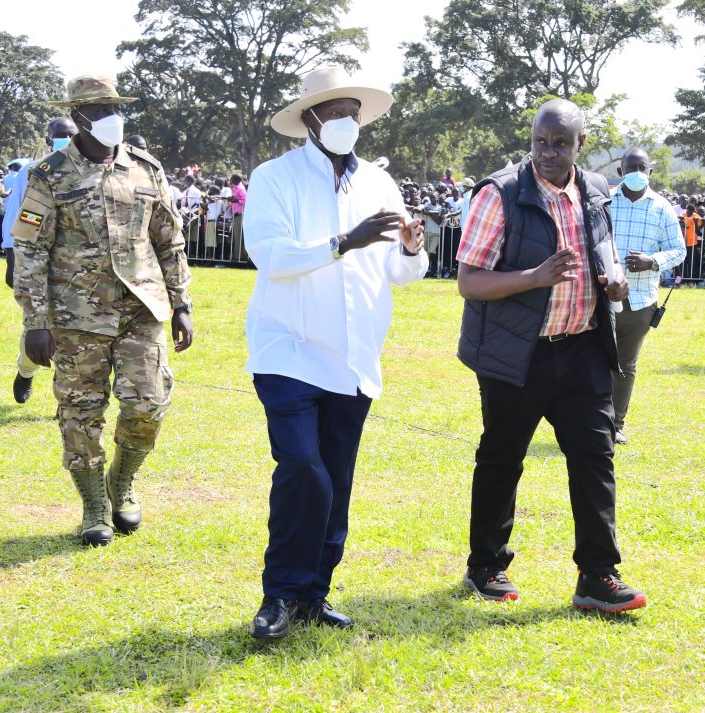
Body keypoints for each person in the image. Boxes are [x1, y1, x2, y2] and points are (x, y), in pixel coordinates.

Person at [243, 66, 427, 639]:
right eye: (334, 112)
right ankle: (279, 595)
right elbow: (270, 255)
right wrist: (345, 242)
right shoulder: (275, 178)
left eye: (354, 112)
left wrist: (413, 250)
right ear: (310, 120)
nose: (346, 121)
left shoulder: (378, 183)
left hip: (353, 356)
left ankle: (313, 595)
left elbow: (399, 271)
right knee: (304, 470)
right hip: (289, 350)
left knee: (337, 478)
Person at [456, 98, 644, 613]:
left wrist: (614, 284)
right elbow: (469, 280)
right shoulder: (502, 193)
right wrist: (533, 278)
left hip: (583, 347)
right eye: (541, 141)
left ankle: (597, 575)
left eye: (560, 143)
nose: (548, 152)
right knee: (502, 458)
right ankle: (486, 566)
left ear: (581, 145)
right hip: (517, 352)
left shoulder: (597, 192)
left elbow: (599, 254)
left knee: (595, 459)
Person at [11, 74, 192, 547]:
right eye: (101, 109)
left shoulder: (146, 169)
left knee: (148, 404)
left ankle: (122, 482)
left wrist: (181, 303)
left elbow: (169, 240)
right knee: (80, 412)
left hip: (141, 308)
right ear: (78, 117)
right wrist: (36, 322)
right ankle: (94, 505)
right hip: (76, 316)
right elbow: (30, 250)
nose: (113, 117)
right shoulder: (49, 174)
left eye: (116, 107)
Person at [609, 147, 685, 445]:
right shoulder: (604, 202)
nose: (638, 173)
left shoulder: (662, 207)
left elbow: (679, 250)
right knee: (593, 361)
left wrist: (652, 261)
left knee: (625, 365)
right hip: (601, 295)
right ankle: (590, 422)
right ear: (620, 173)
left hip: (640, 300)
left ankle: (615, 425)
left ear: (650, 172)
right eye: (631, 167)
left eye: (643, 167)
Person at [2, 118, 78, 403]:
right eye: (59, 136)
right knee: (35, 330)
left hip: (78, 270)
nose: (65, 140)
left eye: (70, 135)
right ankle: (26, 371)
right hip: (40, 266)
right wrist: (12, 261)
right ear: (48, 140)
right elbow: (17, 219)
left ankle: (68, 393)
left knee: (74, 336)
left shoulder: (91, 168)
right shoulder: (34, 171)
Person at [228, 173, 247, 261]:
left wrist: (236, 200)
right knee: (237, 236)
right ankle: (238, 255)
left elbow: (245, 200)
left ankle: (239, 256)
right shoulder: (237, 188)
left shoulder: (240, 188)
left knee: (238, 236)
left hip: (240, 215)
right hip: (236, 215)